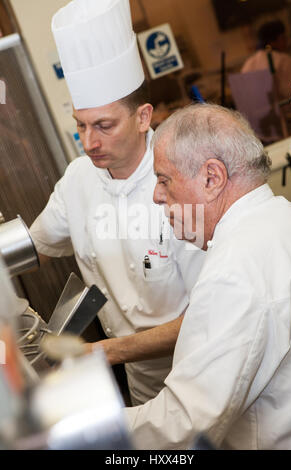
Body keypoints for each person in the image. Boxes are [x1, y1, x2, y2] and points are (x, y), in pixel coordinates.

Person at [30, 0, 205, 407]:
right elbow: (36, 246)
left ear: (143, 117)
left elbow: (209, 312)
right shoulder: (78, 179)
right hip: (140, 378)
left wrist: (105, 352)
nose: (89, 142)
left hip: (202, 364)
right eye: (81, 125)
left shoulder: (185, 177)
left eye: (104, 126)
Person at [125, 103, 291, 450]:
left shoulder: (234, 270)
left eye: (164, 180)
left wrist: (74, 429)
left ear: (211, 178)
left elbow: (184, 425)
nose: (157, 196)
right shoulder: (287, 215)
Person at [241, 20, 291, 101]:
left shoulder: (247, 65)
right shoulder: (285, 61)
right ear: (274, 41)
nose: (287, 41)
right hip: (288, 112)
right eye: (283, 37)